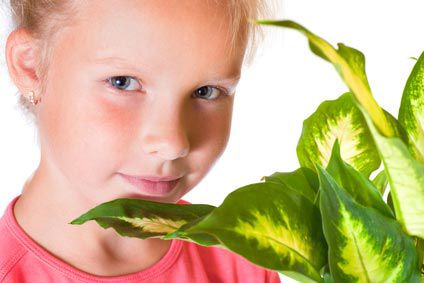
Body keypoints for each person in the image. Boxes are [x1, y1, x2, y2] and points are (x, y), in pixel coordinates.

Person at [0, 0, 281, 282]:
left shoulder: (245, 264)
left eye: (206, 91)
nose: (172, 143)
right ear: (31, 66)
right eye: (123, 82)